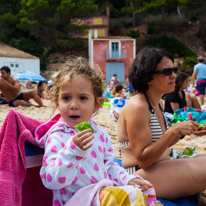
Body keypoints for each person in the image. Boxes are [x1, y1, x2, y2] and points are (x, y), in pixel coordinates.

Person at [35, 57, 155, 206]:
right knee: (126, 196)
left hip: (100, 196)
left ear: (97, 104)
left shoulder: (100, 134)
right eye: (66, 98)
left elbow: (109, 166)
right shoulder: (57, 137)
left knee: (142, 190)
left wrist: (127, 179)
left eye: (83, 98)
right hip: (74, 201)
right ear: (57, 103)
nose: (73, 105)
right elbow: (50, 181)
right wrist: (72, 151)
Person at [117, 47, 206, 200]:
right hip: (138, 176)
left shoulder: (157, 103)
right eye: (167, 72)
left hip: (159, 165)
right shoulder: (138, 107)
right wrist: (173, 130)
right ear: (147, 77)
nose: (174, 76)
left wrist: (185, 131)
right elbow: (143, 160)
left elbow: (160, 144)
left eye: (174, 70)